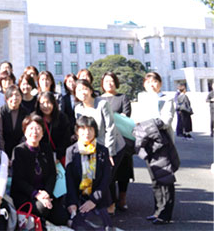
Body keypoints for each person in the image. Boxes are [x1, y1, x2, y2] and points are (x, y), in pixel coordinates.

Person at [75, 79, 125, 215]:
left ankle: (111, 206)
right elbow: (81, 130)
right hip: (93, 147)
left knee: (108, 177)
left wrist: (109, 152)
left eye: (84, 88)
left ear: (91, 90)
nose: (82, 92)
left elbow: (111, 128)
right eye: (78, 90)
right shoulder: (78, 108)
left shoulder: (102, 104)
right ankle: (102, 204)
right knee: (98, 176)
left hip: (112, 145)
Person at [11, 115, 69, 227]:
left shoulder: (46, 148)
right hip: (26, 195)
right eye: (31, 128)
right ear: (24, 131)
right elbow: (19, 180)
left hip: (45, 194)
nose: (34, 132)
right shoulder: (19, 151)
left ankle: (43, 222)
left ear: (42, 133)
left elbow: (52, 174)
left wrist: (47, 192)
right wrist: (36, 194)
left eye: (38, 129)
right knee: (42, 208)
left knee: (62, 217)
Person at [136, 72, 177, 225]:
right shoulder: (143, 100)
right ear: (144, 85)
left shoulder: (166, 99)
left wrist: (146, 124)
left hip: (162, 142)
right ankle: (158, 210)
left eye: (154, 81)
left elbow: (165, 120)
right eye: (148, 82)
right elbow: (137, 119)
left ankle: (166, 214)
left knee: (165, 178)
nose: (151, 85)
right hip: (148, 143)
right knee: (154, 179)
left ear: (160, 83)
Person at [65, 116, 113, 230]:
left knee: (104, 227)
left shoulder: (103, 151)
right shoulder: (71, 151)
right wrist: (72, 202)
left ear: (95, 131)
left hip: (98, 197)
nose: (87, 133)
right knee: (82, 226)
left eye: (90, 129)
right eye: (83, 129)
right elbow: (69, 180)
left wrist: (93, 200)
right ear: (77, 131)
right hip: (78, 197)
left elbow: (106, 178)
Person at [100, 71, 133, 212]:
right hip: (105, 139)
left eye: (112, 80)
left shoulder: (122, 98)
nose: (109, 83)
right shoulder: (98, 99)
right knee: (109, 172)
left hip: (122, 139)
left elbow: (126, 117)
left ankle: (122, 198)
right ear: (102, 83)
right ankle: (110, 201)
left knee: (124, 172)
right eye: (106, 80)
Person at [33, 91, 71, 165]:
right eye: (42, 103)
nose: (46, 105)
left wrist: (58, 156)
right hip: (40, 157)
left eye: (48, 102)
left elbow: (66, 140)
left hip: (59, 158)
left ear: (54, 103)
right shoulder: (35, 118)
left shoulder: (62, 118)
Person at [0, 85, 29, 159]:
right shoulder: (0, 112)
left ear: (21, 97)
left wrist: (18, 152)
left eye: (17, 95)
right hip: (2, 151)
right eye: (11, 95)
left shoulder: (26, 112)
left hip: (21, 151)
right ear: (6, 98)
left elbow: (26, 135)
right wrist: (3, 155)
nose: (14, 98)